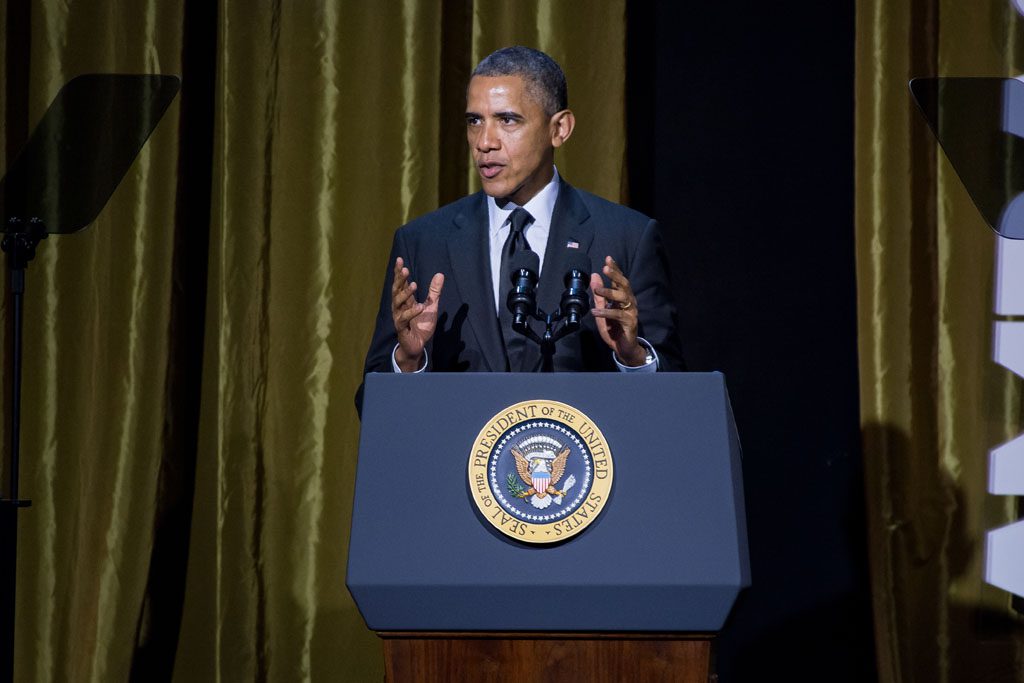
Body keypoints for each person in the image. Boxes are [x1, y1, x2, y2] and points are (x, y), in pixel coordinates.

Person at [359, 46, 682, 400]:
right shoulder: (423, 242)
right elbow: (372, 405)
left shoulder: (626, 238)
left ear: (559, 128)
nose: (484, 142)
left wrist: (632, 357)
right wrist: (407, 360)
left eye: (507, 120)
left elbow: (676, 394)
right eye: (474, 121)